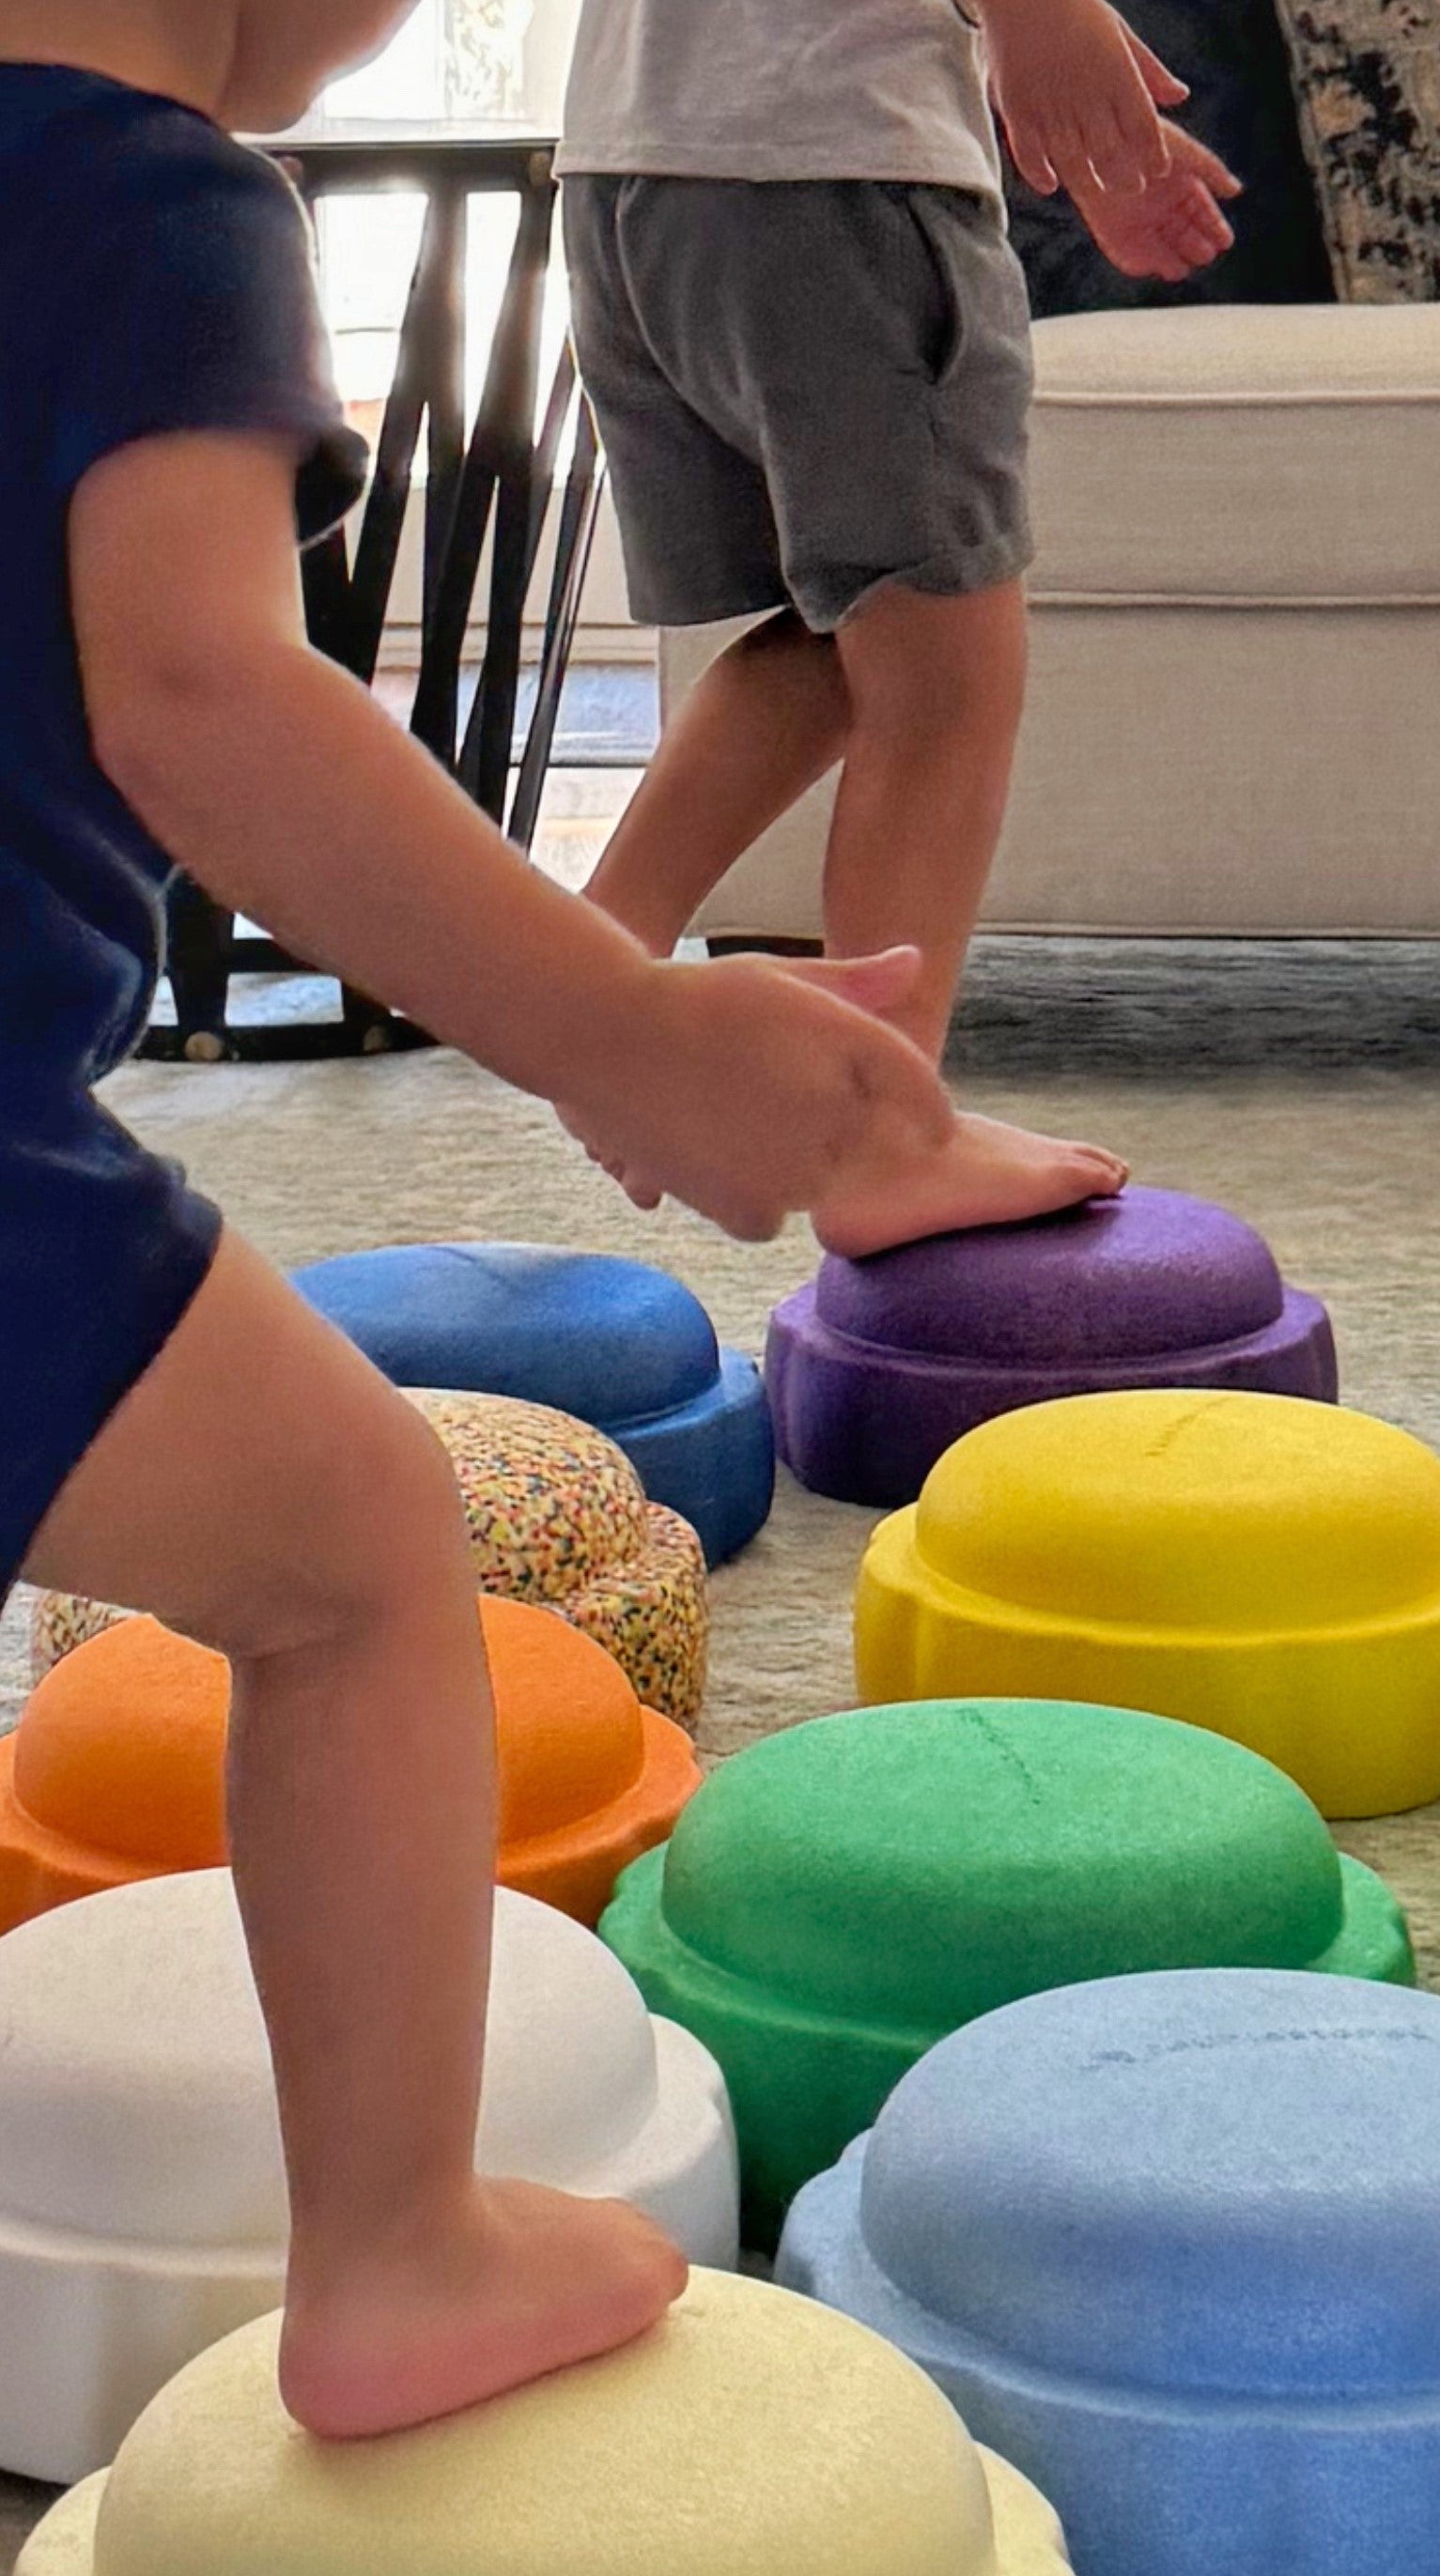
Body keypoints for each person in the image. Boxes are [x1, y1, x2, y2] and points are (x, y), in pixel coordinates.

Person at [0, 0, 968, 2436]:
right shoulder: (142, 191)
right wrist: (624, 1031)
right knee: (349, 1563)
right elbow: (206, 697)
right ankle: (401, 2255)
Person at [558, 0, 1238, 1250]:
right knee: (950, 672)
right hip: (834, 174)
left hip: (637, 169)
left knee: (855, 624)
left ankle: (589, 969)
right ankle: (883, 1135)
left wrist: (1077, 116)